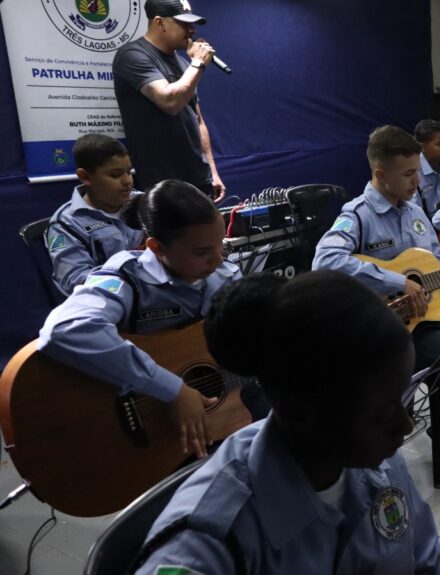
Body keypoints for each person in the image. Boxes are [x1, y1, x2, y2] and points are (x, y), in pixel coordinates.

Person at [132, 271, 440, 574]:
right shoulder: (209, 540)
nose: (404, 427)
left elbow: (429, 562)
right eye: (382, 413)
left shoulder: (374, 464)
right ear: (303, 414)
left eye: (403, 398)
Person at [312, 125, 440, 501]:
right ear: (380, 174)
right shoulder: (357, 215)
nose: (417, 180)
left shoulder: (417, 212)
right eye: (408, 174)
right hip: (388, 328)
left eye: (417, 171)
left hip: (428, 315)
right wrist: (395, 280)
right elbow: (325, 260)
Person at [38, 180, 268, 459]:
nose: (218, 260)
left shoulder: (225, 277)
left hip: (217, 418)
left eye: (220, 246)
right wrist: (170, 388)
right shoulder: (127, 279)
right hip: (142, 436)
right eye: (201, 252)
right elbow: (65, 328)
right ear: (157, 247)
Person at [112, 0, 226, 201]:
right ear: (160, 22)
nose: (191, 30)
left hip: (200, 179)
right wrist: (198, 63)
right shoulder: (132, 55)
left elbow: (198, 120)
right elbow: (170, 103)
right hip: (163, 183)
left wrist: (212, 171)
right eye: (184, 23)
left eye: (192, 24)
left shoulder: (184, 64)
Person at [46, 134, 145, 297]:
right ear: (85, 177)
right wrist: (135, 274)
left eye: (129, 172)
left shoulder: (144, 202)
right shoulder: (66, 224)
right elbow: (74, 281)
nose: (127, 181)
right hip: (110, 302)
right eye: (115, 175)